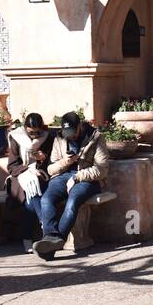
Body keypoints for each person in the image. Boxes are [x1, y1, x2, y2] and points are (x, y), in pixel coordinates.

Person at [32, 111, 110, 260]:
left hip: (87, 179)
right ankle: (51, 237)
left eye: (73, 132)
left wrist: (77, 176)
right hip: (63, 177)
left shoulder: (96, 137)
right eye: (66, 132)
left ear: (79, 126)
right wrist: (66, 161)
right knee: (46, 199)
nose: (70, 136)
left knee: (73, 200)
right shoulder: (59, 138)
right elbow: (51, 169)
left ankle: (52, 245)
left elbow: (102, 170)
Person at [5, 112, 53, 252]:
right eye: (31, 133)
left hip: (41, 175)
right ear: (25, 128)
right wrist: (28, 168)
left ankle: (27, 237)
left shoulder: (48, 137)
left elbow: (53, 161)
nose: (34, 136)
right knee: (32, 190)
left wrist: (43, 158)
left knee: (31, 198)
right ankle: (47, 229)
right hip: (19, 177)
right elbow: (12, 166)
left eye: (37, 132)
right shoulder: (16, 137)